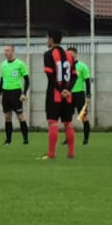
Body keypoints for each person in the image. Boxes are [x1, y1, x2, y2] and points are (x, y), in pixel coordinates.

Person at [39, 31, 76, 161]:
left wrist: (61, 89)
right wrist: (67, 89)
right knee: (68, 124)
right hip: (67, 96)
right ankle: (71, 153)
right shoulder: (69, 55)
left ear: (51, 39)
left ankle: (51, 154)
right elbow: (74, 76)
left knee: (53, 123)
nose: (46, 41)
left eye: (47, 38)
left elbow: (50, 76)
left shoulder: (48, 54)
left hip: (55, 93)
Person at [0, 44, 30, 145]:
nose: (6, 52)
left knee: (20, 116)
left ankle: (26, 139)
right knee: (7, 117)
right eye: (5, 50)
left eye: (8, 50)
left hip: (16, 93)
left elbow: (27, 80)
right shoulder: (3, 64)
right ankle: (8, 140)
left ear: (13, 51)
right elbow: (2, 80)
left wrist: (24, 93)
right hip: (6, 93)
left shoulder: (20, 64)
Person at [67, 46, 91, 146]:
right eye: (67, 54)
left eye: (71, 54)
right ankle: (68, 138)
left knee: (83, 116)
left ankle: (85, 139)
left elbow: (87, 81)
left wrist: (88, 95)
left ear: (75, 54)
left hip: (79, 94)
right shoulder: (65, 67)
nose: (69, 56)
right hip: (68, 94)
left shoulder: (82, 66)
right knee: (67, 118)